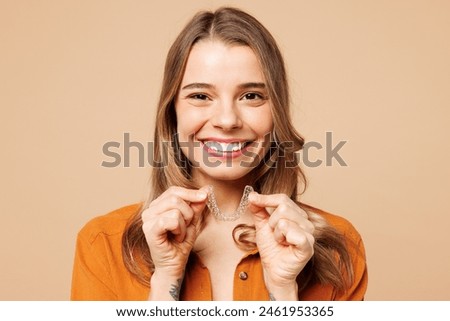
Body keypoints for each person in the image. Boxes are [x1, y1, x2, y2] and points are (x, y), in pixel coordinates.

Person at [71, 6, 368, 301]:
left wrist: (283, 291)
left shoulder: (337, 249)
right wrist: (165, 281)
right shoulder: (103, 245)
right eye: (200, 96)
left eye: (251, 96)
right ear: (172, 113)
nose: (227, 121)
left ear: (276, 110)